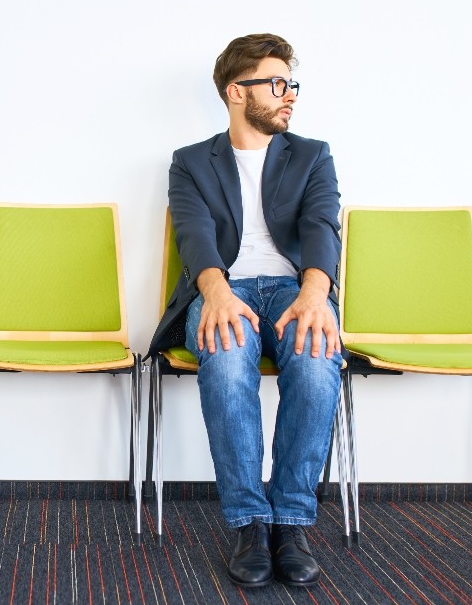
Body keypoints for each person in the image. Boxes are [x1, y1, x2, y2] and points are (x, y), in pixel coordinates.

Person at [148, 33, 343, 588]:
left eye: (291, 84)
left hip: (294, 288)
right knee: (228, 361)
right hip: (223, 290)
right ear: (237, 92)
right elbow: (194, 236)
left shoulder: (313, 155)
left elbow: (321, 226)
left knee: (313, 359)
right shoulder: (190, 163)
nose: (290, 96)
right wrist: (216, 293)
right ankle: (249, 523)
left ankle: (291, 522)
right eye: (276, 83)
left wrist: (315, 294)